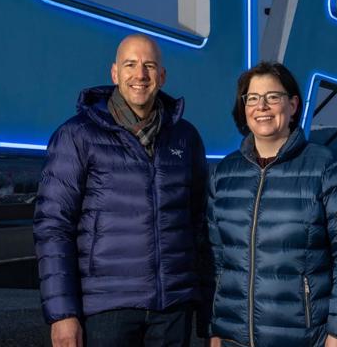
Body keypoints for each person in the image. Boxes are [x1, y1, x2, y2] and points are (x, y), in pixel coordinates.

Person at [34, 34, 211, 347]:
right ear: (114, 73)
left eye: (149, 65)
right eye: (130, 65)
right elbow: (53, 227)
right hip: (106, 309)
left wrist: (206, 310)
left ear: (163, 75)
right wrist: (62, 314)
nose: (140, 74)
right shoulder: (77, 136)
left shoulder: (185, 137)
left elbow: (198, 223)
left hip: (172, 308)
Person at [207, 62, 337, 347]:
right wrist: (216, 329)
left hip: (307, 338)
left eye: (273, 96)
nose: (262, 106)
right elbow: (218, 262)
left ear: (293, 104)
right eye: (253, 98)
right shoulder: (224, 174)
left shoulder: (327, 168)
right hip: (235, 339)